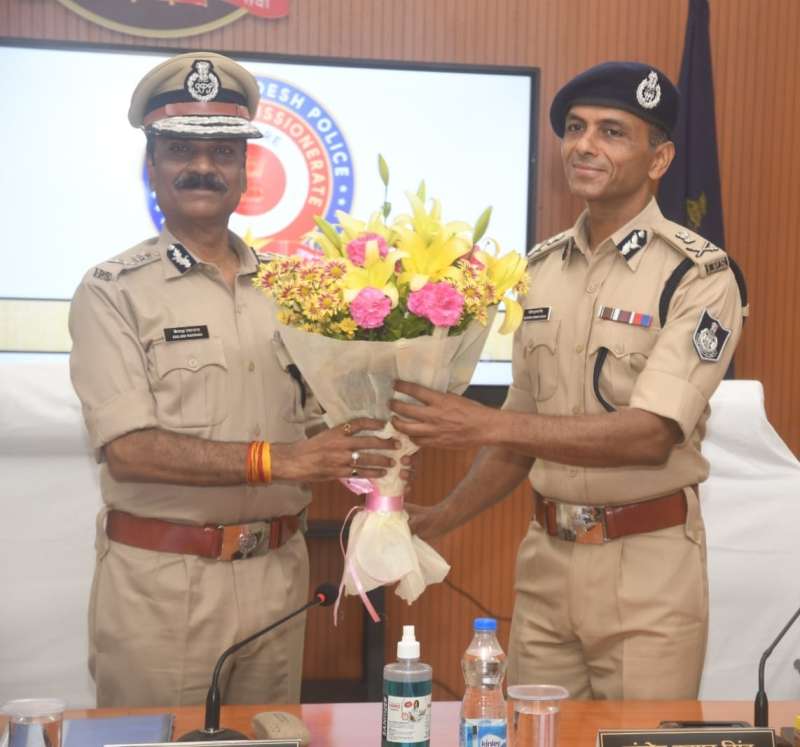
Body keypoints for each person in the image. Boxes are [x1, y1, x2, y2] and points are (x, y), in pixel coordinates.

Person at [390, 61, 746, 700]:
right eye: (576, 128)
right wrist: (440, 517)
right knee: (537, 737)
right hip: (545, 565)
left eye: (612, 132)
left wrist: (482, 422)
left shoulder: (698, 275)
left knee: (639, 743)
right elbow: (520, 433)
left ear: (659, 159)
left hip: (647, 570)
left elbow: (649, 435)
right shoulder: (540, 268)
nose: (584, 144)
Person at [69, 51, 399, 708]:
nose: (203, 167)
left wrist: (378, 418)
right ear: (151, 165)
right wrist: (284, 459)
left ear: (246, 169)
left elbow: (321, 418)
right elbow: (129, 450)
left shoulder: (294, 290)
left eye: (223, 152)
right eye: (180, 150)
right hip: (163, 587)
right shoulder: (112, 290)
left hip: (278, 577)